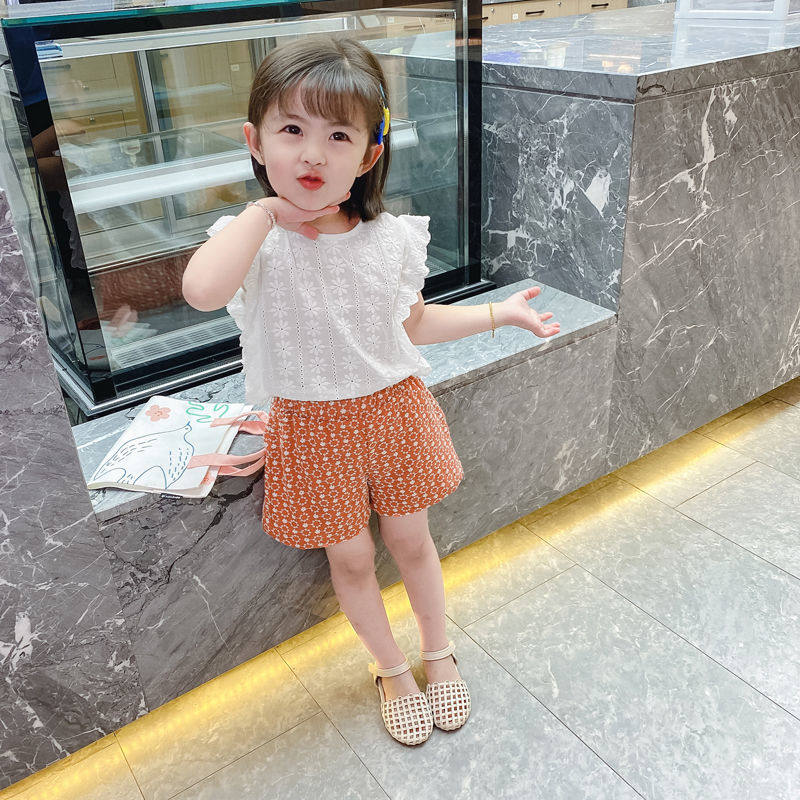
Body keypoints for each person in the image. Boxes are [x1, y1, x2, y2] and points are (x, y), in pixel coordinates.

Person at [182, 35, 560, 747]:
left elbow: (411, 324)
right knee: (351, 558)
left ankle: (438, 651)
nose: (313, 153)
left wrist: (498, 314)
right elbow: (201, 290)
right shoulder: (252, 238)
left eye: (338, 134)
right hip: (309, 425)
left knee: (412, 541)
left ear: (368, 154)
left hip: (394, 412)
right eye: (291, 130)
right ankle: (389, 667)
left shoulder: (389, 239)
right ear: (255, 142)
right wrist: (263, 214)